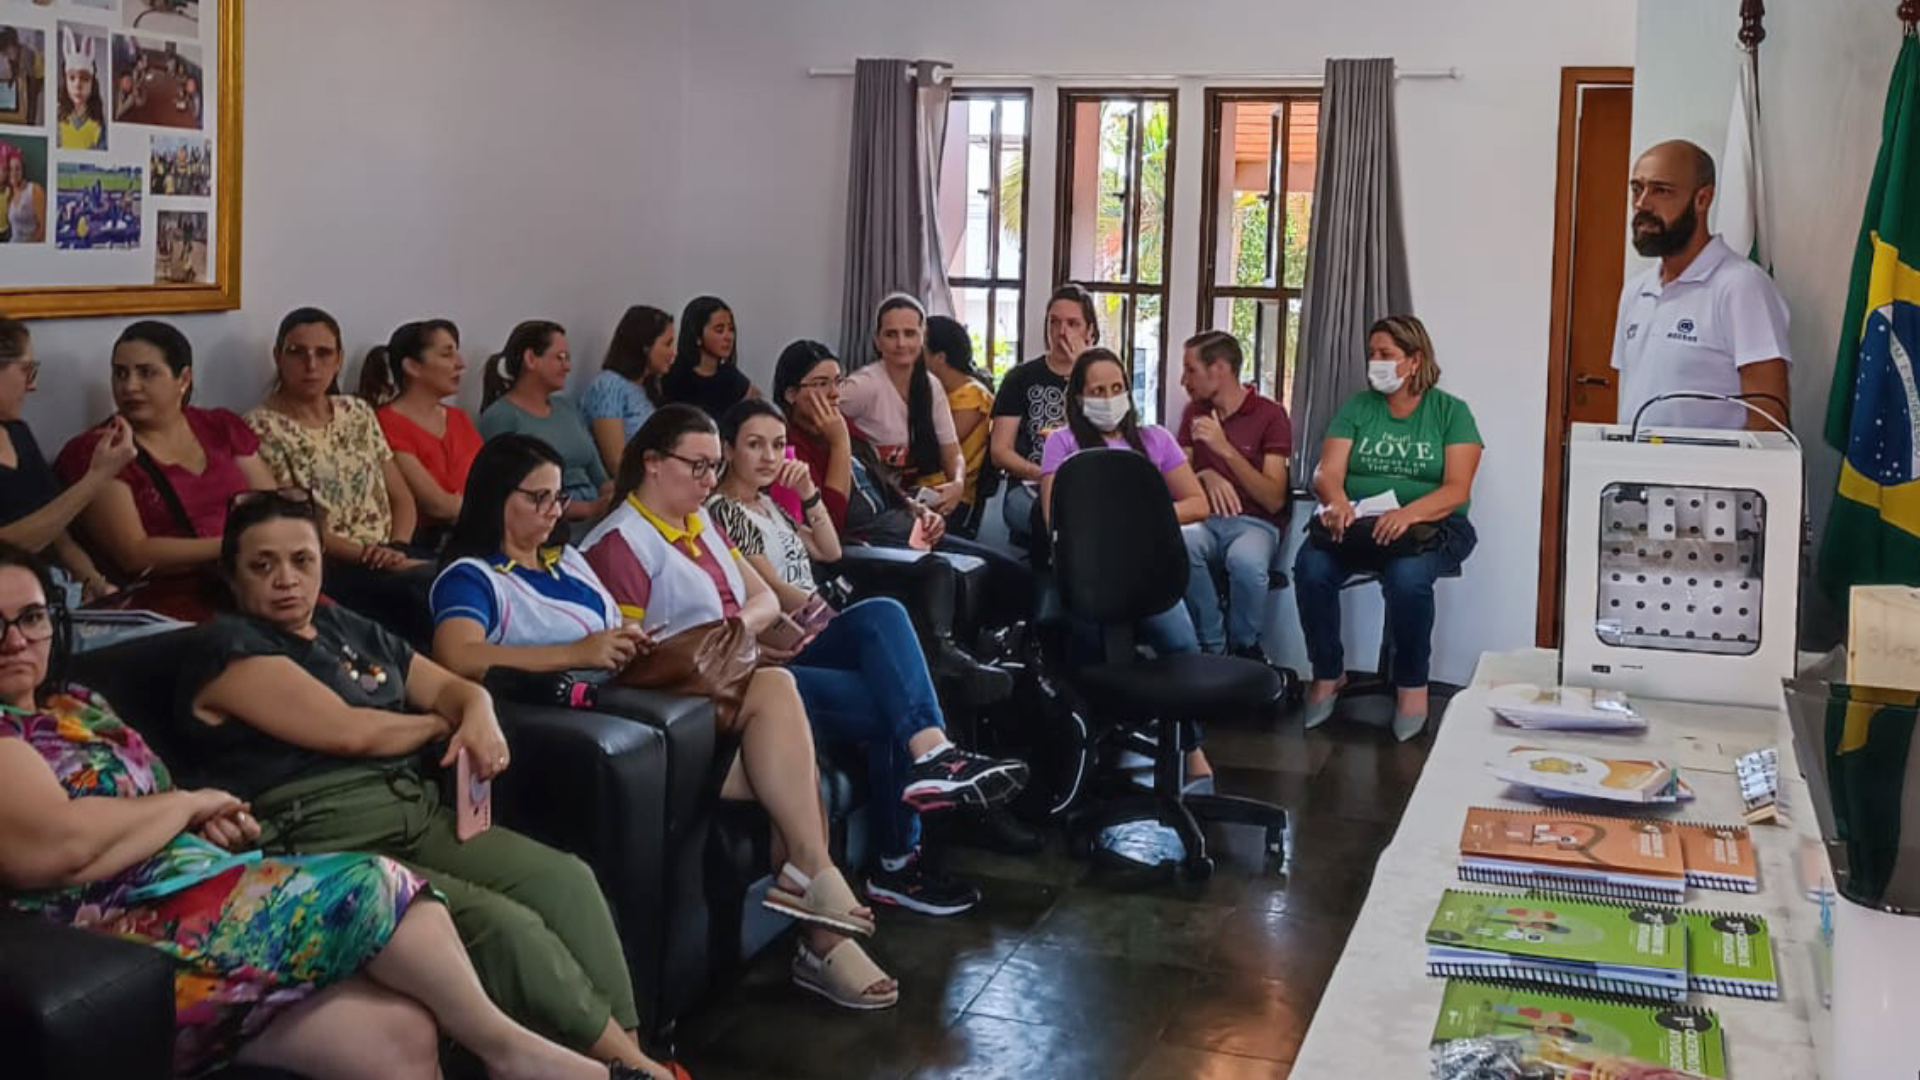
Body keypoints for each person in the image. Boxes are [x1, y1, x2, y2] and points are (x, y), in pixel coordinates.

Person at [0, 547, 672, 1080]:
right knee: (379, 887)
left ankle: (607, 1055)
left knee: (400, 1032)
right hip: (118, 933)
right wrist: (186, 805)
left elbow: (151, 806)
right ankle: (515, 1054)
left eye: (29, 618)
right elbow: (53, 849)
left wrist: (201, 819)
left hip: (200, 888)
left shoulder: (77, 705)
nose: (15, 640)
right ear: (234, 579)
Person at [179, 491, 687, 1077]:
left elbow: (456, 685)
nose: (287, 580)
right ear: (231, 574)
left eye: (302, 559)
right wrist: (443, 721)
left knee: (566, 879)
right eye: (262, 566)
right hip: (327, 837)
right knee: (503, 925)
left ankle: (631, 1056)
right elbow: (352, 733)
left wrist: (477, 711)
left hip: (415, 812)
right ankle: (631, 1071)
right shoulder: (225, 648)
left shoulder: (343, 626)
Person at [427, 433, 899, 1012]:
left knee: (777, 691)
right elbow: (456, 656)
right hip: (589, 718)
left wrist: (626, 643)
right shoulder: (473, 576)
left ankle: (813, 888)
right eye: (539, 500)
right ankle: (819, 915)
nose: (554, 513)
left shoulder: (567, 561)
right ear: (498, 498)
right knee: (788, 768)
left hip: (646, 702)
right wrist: (578, 652)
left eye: (557, 499)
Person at [581, 406, 1028, 918]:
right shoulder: (629, 540)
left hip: (755, 656)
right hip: (725, 687)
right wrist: (746, 633)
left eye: (713, 465)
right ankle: (898, 859)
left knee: (884, 615)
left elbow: (770, 596)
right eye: (699, 466)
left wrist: (745, 631)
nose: (709, 478)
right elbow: (638, 656)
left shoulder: (700, 518)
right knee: (895, 702)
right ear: (653, 463)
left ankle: (931, 758)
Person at [1296, 315, 1482, 741]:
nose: (1375, 362)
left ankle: (1411, 685)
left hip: (1431, 530)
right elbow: (1326, 472)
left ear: (1414, 361)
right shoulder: (1358, 408)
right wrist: (1337, 501)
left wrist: (1409, 513)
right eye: (1372, 354)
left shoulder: (1451, 412)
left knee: (1408, 579)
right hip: (1360, 525)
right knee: (1311, 568)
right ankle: (1328, 672)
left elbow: (1457, 488)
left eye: (1386, 355)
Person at [55, 321, 272, 621]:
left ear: (183, 378)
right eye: (120, 373)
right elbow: (134, 553)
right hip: (177, 600)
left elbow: (273, 506)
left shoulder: (220, 426)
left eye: (146, 373)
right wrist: (234, 546)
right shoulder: (101, 450)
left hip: (257, 581)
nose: (129, 386)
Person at [247, 307, 436, 643]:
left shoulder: (357, 412)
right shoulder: (261, 427)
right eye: (297, 353)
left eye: (323, 353)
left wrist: (397, 547)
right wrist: (372, 557)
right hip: (333, 563)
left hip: (393, 548)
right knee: (422, 590)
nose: (311, 365)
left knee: (468, 576)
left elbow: (401, 496)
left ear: (339, 359)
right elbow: (294, 521)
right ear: (278, 357)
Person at [1612, 140, 1791, 431]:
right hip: (1638, 473)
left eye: (1661, 190)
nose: (1642, 203)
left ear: (1702, 199)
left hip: (1710, 476)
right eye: (1637, 189)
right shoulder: (1635, 291)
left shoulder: (1742, 286)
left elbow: (1768, 422)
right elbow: (1632, 399)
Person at [1174, 330, 1293, 660]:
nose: (1184, 380)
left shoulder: (1271, 415)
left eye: (1191, 370)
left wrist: (1224, 451)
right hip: (1205, 518)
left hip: (1255, 523)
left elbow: (1274, 499)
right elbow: (1178, 475)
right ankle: (1213, 645)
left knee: (1246, 563)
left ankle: (1244, 647)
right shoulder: (1193, 413)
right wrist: (1204, 474)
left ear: (1219, 369)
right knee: (1182, 544)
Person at [0, 315, 127, 597]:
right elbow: (8, 548)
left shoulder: (18, 433)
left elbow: (61, 537)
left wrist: (95, 581)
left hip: (60, 595)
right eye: (26, 371)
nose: (32, 386)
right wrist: (96, 478)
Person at [836, 294, 965, 515]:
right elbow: (814, 414)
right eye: (891, 334)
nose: (901, 343)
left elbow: (952, 452)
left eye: (910, 334)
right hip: (874, 502)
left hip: (913, 498)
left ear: (922, 338)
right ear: (877, 341)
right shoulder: (863, 386)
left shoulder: (932, 386)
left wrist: (958, 484)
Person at [990, 283, 1097, 542]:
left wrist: (1086, 371)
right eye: (1054, 322)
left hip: (1091, 482)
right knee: (1051, 516)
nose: (1062, 333)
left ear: (1090, 331)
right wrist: (1043, 474)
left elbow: (1116, 433)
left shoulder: (1102, 379)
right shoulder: (1021, 378)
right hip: (1030, 484)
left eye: (1073, 324)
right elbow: (1000, 452)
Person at [478, 320, 612, 523]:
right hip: (551, 522)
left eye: (568, 358)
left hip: (596, 515)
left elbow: (599, 476)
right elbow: (511, 495)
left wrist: (615, 497)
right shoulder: (502, 416)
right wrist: (589, 509)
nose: (567, 366)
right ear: (531, 359)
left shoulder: (567, 407)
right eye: (560, 358)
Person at [369, 319, 483, 533]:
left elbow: (492, 479)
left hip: (476, 527)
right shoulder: (385, 423)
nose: (460, 363)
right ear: (413, 366)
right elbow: (436, 504)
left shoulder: (458, 419)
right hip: (432, 539)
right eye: (446, 354)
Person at [583, 304, 674, 477]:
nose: (673, 353)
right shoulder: (609, 386)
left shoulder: (648, 387)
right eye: (667, 344)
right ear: (645, 346)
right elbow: (616, 463)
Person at [924, 314, 994, 523]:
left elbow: (935, 448)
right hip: (922, 487)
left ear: (940, 358)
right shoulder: (937, 392)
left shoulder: (972, 396)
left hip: (948, 494)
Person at [659, 296, 755, 419]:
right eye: (719, 330)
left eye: (731, 329)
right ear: (697, 335)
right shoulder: (673, 376)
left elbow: (761, 405)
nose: (728, 337)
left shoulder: (730, 376)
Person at [56, 28, 103, 151]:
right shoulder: (58, 117)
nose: (78, 85)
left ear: (92, 83)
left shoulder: (98, 122)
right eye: (72, 78)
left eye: (85, 78)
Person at [3, 142, 45, 243]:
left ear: (23, 171)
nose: (14, 173)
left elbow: (43, 229)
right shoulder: (8, 195)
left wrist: (25, 249)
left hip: (29, 251)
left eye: (17, 169)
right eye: (10, 169)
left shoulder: (34, 190)